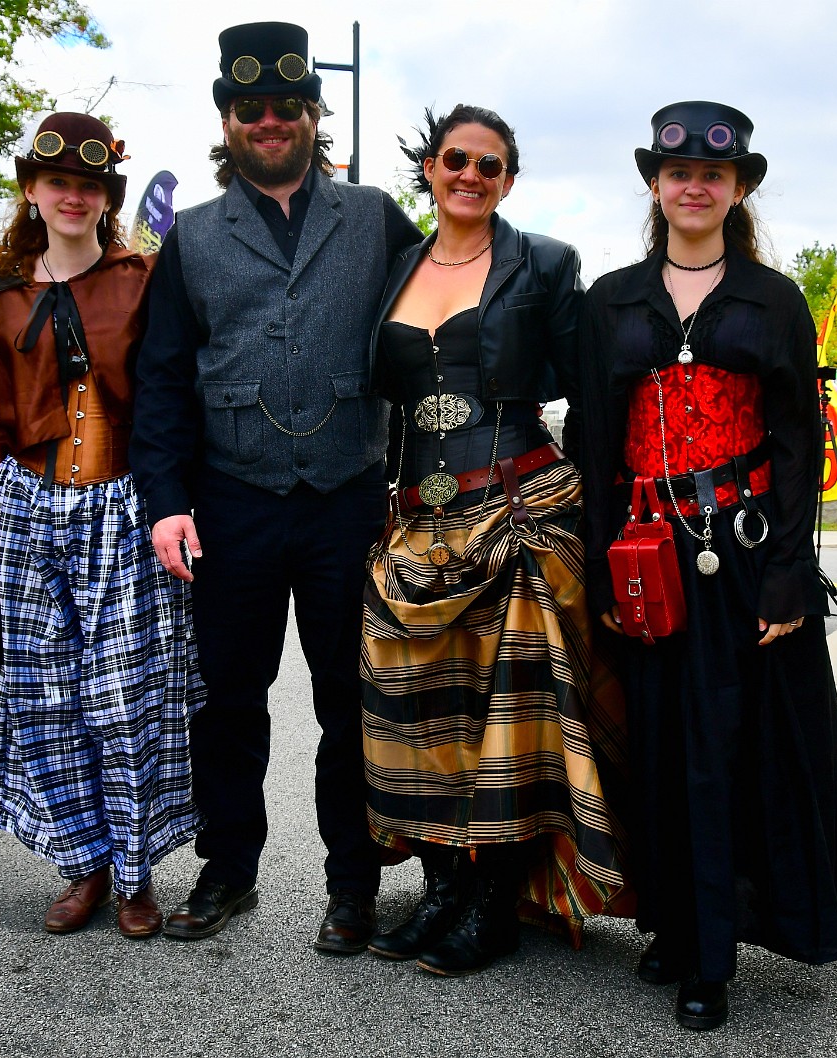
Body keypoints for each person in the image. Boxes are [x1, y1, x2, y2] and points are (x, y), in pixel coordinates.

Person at [578, 101, 837, 1030]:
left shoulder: (773, 300)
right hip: (644, 555)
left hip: (746, 561)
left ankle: (711, 952)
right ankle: (671, 920)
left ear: (738, 186)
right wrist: (598, 571)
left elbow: (793, 440)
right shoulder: (613, 300)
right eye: (677, 174)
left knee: (727, 750)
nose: (694, 186)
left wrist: (792, 571)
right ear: (656, 185)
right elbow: (593, 443)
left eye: (715, 173)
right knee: (658, 747)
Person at [129, 22, 423, 954]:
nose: (268, 121)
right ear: (227, 120)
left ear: (312, 115)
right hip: (231, 498)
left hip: (347, 493)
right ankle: (229, 867)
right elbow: (164, 376)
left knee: (351, 698)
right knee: (228, 698)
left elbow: (452, 295)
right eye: (249, 109)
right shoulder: (193, 236)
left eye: (285, 107)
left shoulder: (374, 217)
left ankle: (353, 882)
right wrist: (166, 501)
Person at [361, 104, 633, 978]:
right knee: (418, 712)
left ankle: (493, 905)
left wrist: (602, 507)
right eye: (455, 160)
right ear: (431, 170)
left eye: (490, 164)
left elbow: (589, 390)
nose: (470, 175)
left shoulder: (545, 263)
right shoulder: (394, 268)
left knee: (509, 722)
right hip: (419, 523)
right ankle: (442, 889)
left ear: (508, 179)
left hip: (521, 505)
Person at [0, 112, 205, 939]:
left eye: (90, 186)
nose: (74, 198)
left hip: (121, 507)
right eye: (59, 184)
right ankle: (81, 865)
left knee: (123, 701)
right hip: (27, 510)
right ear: (32, 191)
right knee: (45, 700)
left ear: (106, 197)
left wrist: (173, 505)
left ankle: (135, 874)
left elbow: (172, 402)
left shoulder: (144, 282)